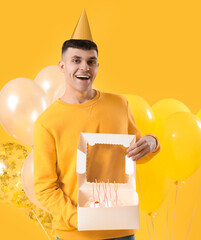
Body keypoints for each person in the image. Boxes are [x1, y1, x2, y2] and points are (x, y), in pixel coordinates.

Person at [33, 39, 161, 240]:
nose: (84, 67)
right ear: (62, 66)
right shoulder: (47, 123)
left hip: (121, 230)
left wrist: (152, 142)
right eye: (76, 60)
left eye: (91, 62)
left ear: (97, 67)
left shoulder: (119, 104)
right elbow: (45, 187)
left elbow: (138, 153)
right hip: (75, 235)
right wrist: (79, 219)